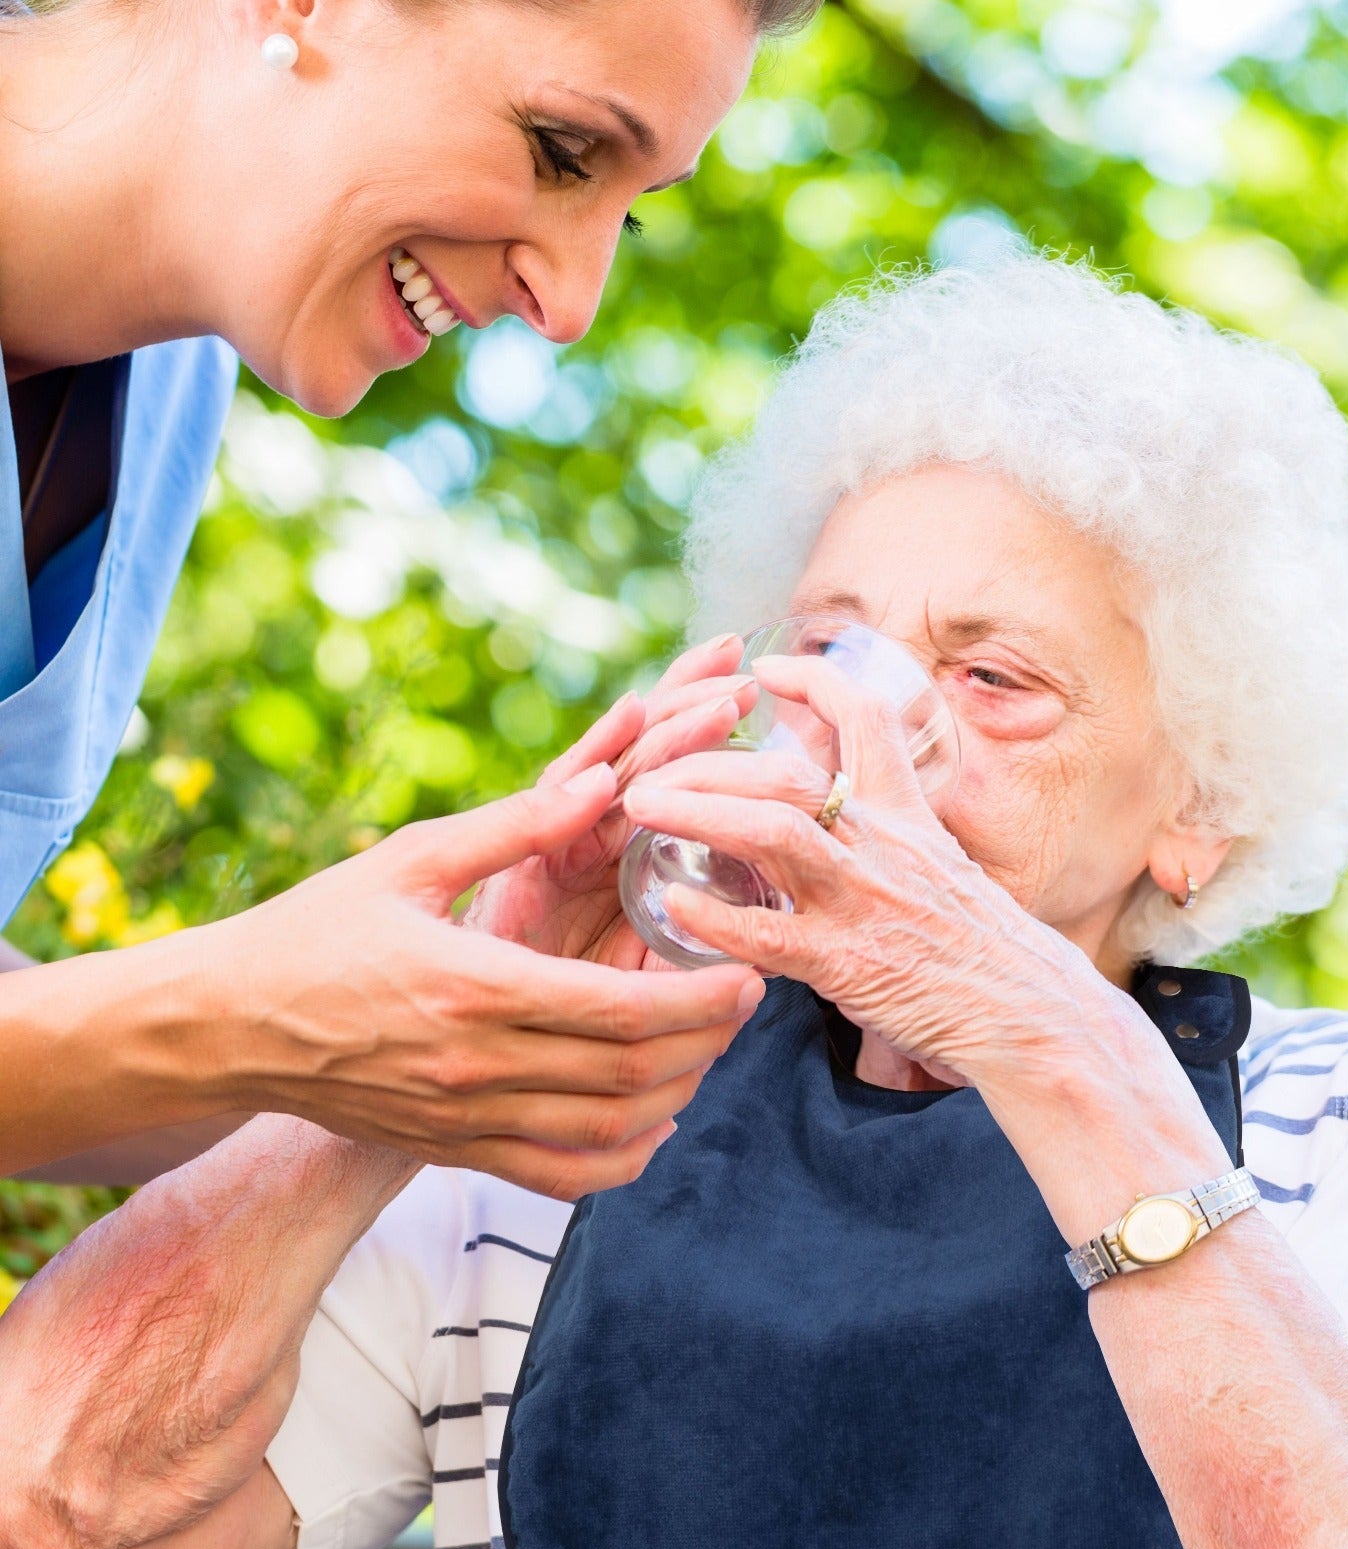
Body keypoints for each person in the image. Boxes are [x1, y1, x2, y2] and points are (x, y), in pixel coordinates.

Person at [0, 256, 1348, 1549]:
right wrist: (441, 1037)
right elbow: (57, 1522)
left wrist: (1023, 1022)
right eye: (829, 650)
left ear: (1197, 809)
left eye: (995, 680)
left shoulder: (1340, 1112)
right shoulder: (568, 1130)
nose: (874, 723)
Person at [0, 0, 819, 1188]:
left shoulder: (171, 390)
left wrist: (439, 1024)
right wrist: (247, 1015)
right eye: (562, 150)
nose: (574, 304)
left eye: (627, 216)